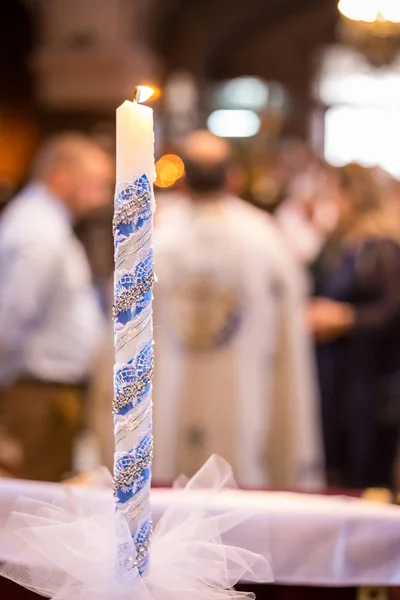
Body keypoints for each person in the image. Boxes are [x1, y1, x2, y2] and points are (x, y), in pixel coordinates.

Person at [152, 130, 324, 489]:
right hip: (244, 386)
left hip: (170, 385)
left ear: (182, 177)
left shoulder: (156, 235)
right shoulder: (263, 236)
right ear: (233, 176)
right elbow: (289, 317)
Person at [0, 132, 113, 481]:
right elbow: (12, 316)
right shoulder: (38, 231)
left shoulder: (50, 223)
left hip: (51, 391)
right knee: (34, 504)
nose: (102, 196)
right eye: (95, 183)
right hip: (39, 392)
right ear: (61, 176)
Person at [309, 163, 400, 489]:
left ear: (354, 196)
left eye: (335, 193)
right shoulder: (339, 240)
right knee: (333, 457)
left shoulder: (384, 245)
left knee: (365, 461)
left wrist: (345, 317)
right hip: (334, 366)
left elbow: (392, 310)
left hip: (367, 373)